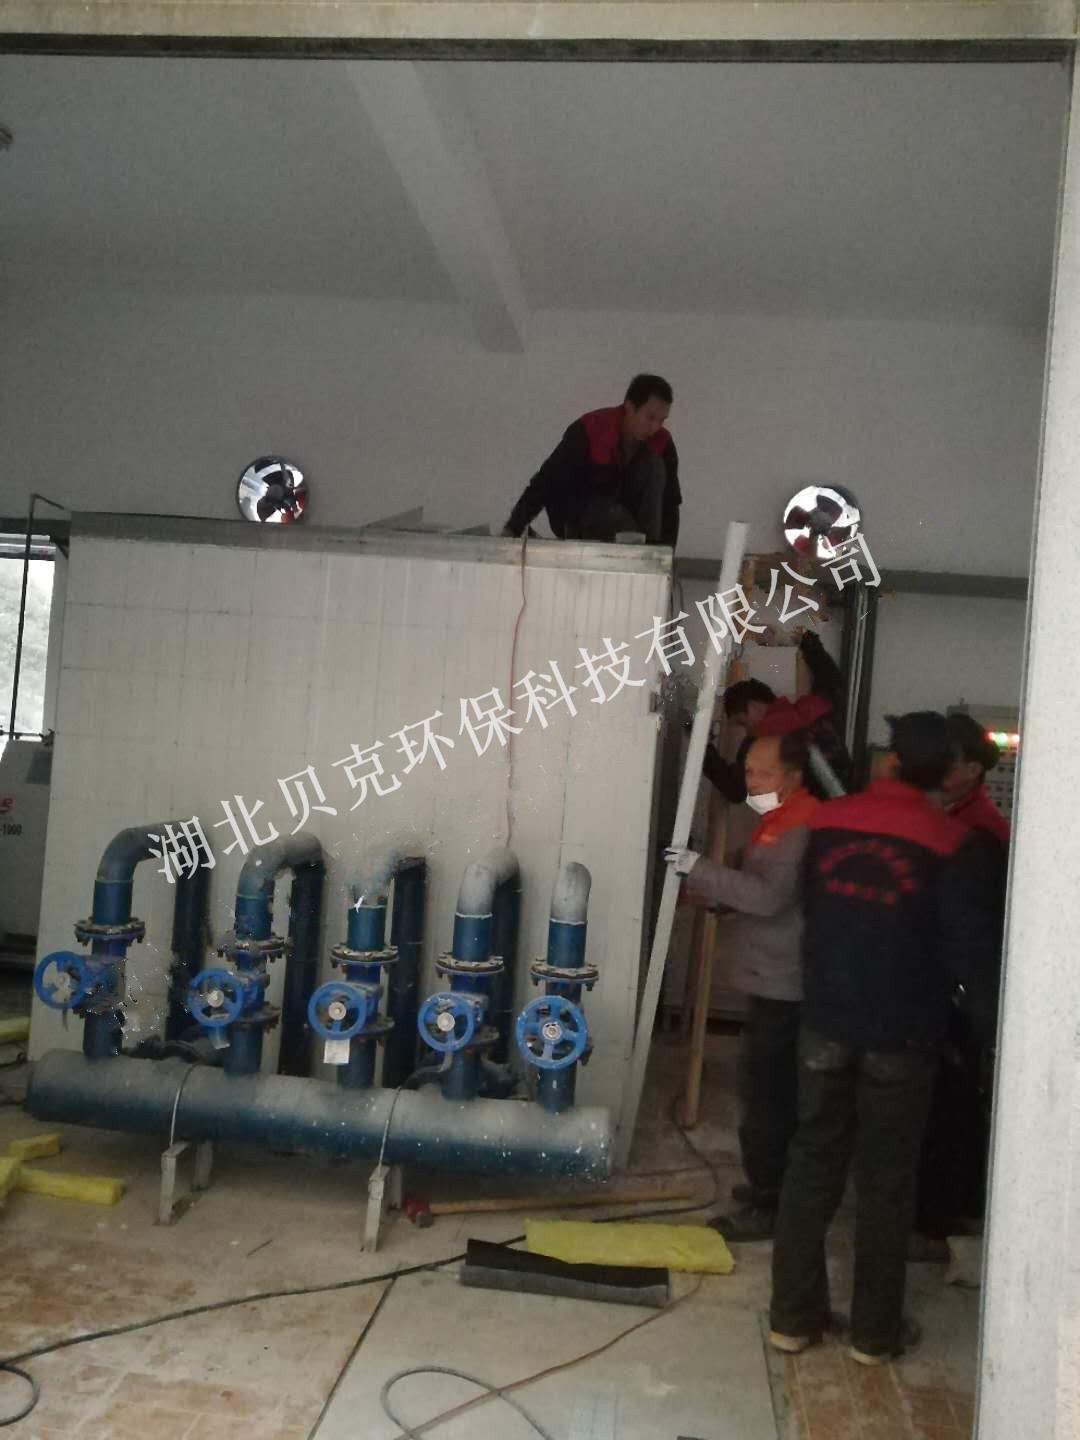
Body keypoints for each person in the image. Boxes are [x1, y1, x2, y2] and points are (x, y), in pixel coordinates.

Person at [768, 712, 999, 1366]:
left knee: (812, 1163)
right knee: (886, 1180)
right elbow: (967, 953)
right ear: (942, 772)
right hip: (902, 1036)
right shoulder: (953, 843)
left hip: (826, 1022)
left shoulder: (829, 821)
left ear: (892, 760)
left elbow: (811, 908)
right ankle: (874, 1335)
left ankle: (792, 1319)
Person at [678, 733, 820, 1241]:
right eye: (749, 771)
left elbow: (768, 898)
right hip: (773, 978)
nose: (752, 781)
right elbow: (751, 881)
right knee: (766, 1091)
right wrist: (712, 893)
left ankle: (770, 1202)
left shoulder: (799, 828)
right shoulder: (778, 819)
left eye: (763, 773)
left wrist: (699, 869)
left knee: (766, 1097)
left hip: (785, 984)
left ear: (793, 776)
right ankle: (769, 1187)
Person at [913, 712, 1011, 1249]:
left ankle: (941, 1217)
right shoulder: (955, 817)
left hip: (963, 993)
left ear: (973, 769)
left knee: (952, 1105)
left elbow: (972, 931)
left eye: (946, 760)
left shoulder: (980, 833)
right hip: (951, 986)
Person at [502, 374, 681, 547]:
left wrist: (667, 554)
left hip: (623, 517)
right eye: (650, 417)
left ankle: (650, 551)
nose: (655, 428)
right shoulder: (591, 429)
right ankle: (638, 549)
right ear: (629, 406)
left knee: (655, 467)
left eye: (661, 420)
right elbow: (546, 480)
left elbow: (670, 503)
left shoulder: (662, 442)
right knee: (618, 518)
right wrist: (513, 529)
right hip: (576, 514)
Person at [703, 631, 852, 803]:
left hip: (820, 815)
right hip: (857, 802)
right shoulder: (819, 708)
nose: (746, 731)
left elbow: (735, 789)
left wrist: (703, 747)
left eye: (742, 722)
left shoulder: (761, 744)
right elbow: (832, 680)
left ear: (753, 707)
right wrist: (808, 642)